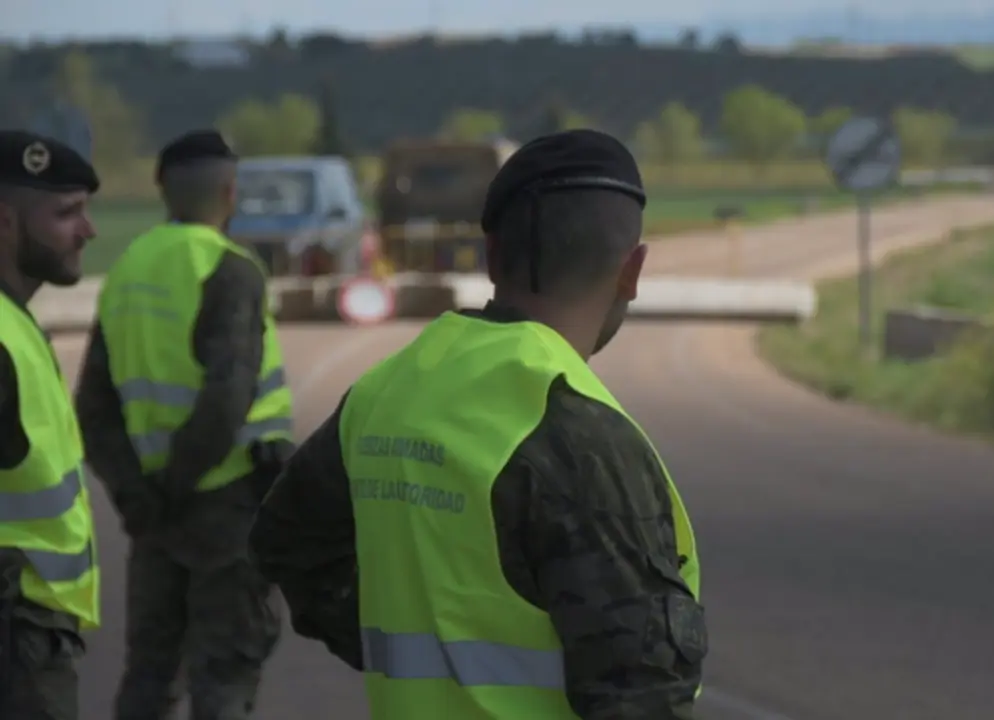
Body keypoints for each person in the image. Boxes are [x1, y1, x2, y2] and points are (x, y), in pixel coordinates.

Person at [250, 128, 708, 719]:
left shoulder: (384, 392)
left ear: (491, 255)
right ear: (632, 271)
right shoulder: (578, 431)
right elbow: (642, 695)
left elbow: (285, 539)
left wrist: (395, 635)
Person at [73, 129, 295, 720]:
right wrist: (178, 486)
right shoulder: (230, 268)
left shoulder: (126, 271)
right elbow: (227, 396)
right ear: (230, 190)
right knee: (223, 675)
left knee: (148, 675)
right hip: (225, 509)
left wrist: (136, 495)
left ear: (161, 190)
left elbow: (93, 407)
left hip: (153, 516)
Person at [0, 130, 102, 720]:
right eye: (67, 214)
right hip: (17, 642)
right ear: (5, 222)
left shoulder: (16, 323)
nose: (87, 231)